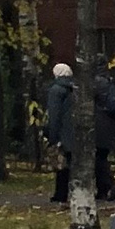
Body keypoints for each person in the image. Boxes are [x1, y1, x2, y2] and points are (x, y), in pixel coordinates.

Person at [43, 58, 77, 204]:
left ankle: (60, 194)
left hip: (62, 133)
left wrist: (52, 136)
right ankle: (76, 192)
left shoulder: (56, 90)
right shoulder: (75, 88)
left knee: (61, 165)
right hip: (75, 131)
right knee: (72, 165)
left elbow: (54, 115)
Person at [92, 56, 115, 204]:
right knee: (101, 157)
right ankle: (102, 190)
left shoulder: (96, 82)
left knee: (98, 159)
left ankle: (112, 183)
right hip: (110, 125)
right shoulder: (109, 81)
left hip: (99, 125)